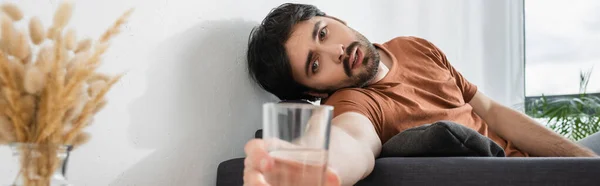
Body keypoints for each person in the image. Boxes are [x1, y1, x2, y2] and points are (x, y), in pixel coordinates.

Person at [243, 3, 599, 186]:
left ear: (334, 18)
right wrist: (317, 167)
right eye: (315, 66)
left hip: (551, 161)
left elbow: (490, 109)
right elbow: (352, 139)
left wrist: (581, 159)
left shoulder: (413, 46)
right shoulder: (353, 103)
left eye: (323, 33)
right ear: (313, 92)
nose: (334, 51)